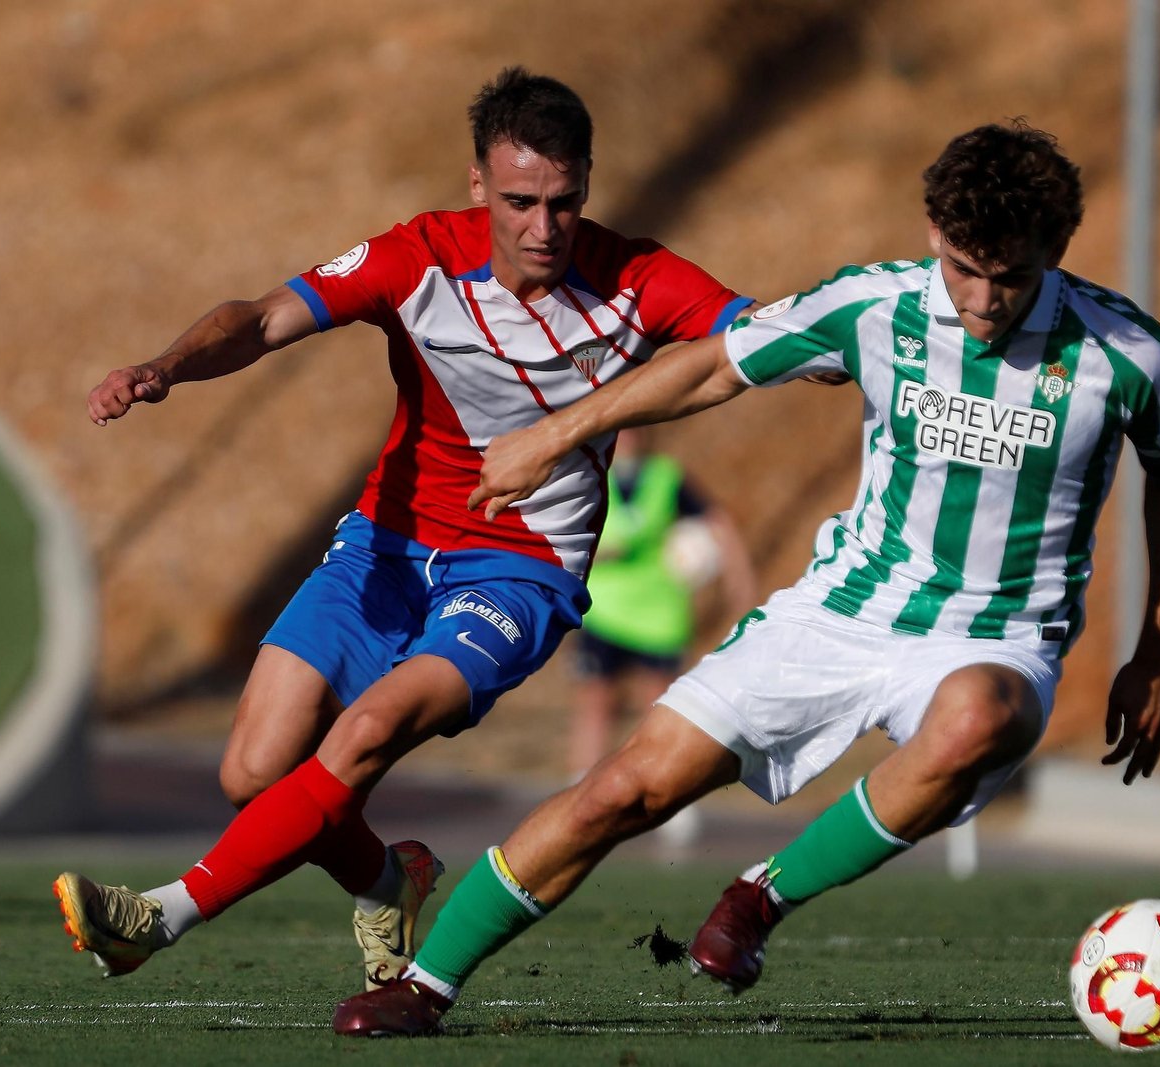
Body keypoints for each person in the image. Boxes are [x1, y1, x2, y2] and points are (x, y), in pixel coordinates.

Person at [328, 120, 1160, 1037]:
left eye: (1012, 276)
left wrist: (1158, 647)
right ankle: (425, 984)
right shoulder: (876, 306)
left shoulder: (1128, 355)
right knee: (624, 788)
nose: (985, 301)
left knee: (983, 714)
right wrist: (554, 435)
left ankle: (760, 896)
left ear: (1057, 251)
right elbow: (714, 366)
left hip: (996, 639)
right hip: (838, 610)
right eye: (965, 269)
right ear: (935, 237)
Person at [54, 68, 752, 991]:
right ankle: (390, 878)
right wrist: (166, 366)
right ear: (478, 186)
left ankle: (162, 914)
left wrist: (847, 341)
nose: (544, 228)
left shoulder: (639, 280)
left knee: (372, 727)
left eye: (564, 201)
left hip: (520, 568)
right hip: (385, 544)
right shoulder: (418, 257)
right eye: (519, 202)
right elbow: (262, 318)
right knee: (254, 773)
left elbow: (756, 341)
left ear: (587, 182)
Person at [570, 426, 756, 780]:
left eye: (635, 432)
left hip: (658, 615)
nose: (628, 439)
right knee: (597, 702)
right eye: (620, 433)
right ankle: (577, 785)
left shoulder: (665, 477)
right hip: (603, 610)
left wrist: (739, 583)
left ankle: (657, 783)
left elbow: (718, 524)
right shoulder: (590, 475)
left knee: (657, 706)